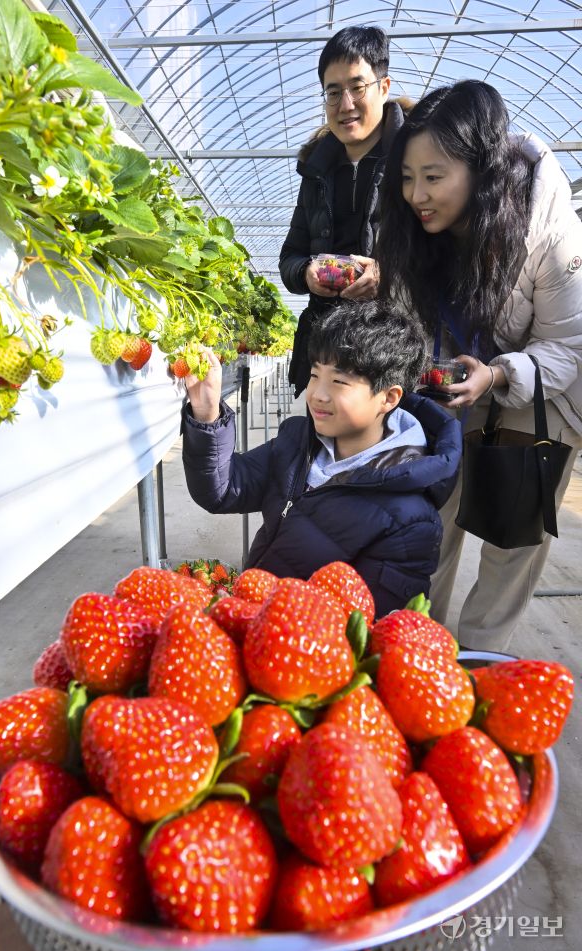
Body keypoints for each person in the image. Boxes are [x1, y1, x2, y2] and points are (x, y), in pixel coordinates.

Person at [377, 79, 582, 650]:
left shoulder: (550, 232)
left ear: (481, 171)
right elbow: (410, 324)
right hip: (458, 382)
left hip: (544, 390)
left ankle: (480, 657)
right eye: (407, 177)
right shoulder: (418, 233)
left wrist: (497, 374)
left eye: (433, 177)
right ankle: (416, 644)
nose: (417, 194)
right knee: (428, 513)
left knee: (514, 529)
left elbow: (567, 347)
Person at [181, 302, 462, 617]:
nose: (317, 394)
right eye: (315, 374)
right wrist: (207, 414)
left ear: (388, 397)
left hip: (301, 639)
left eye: (339, 382)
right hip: (257, 613)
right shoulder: (296, 444)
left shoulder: (409, 518)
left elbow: (367, 627)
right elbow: (220, 490)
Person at [279, 25, 412, 397]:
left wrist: (388, 276)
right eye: (333, 92)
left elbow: (444, 252)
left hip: (390, 350)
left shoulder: (414, 159)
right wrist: (306, 273)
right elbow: (289, 257)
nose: (346, 104)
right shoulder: (316, 172)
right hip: (325, 352)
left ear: (383, 88)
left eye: (357, 87)